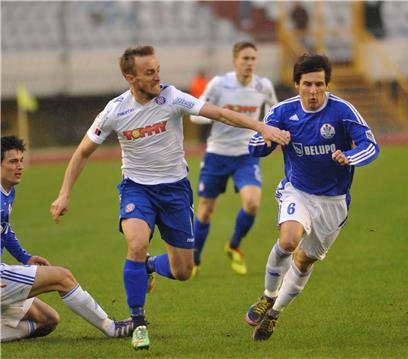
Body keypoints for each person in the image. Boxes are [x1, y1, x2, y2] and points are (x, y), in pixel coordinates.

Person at [49, 45, 290, 350]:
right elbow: (83, 151)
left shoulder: (171, 97)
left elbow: (217, 112)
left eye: (158, 70)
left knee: (183, 271)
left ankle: (149, 266)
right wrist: (64, 193)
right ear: (130, 77)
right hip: (137, 189)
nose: (157, 77)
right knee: (136, 244)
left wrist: (260, 125)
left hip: (175, 191)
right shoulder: (115, 110)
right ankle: (138, 323)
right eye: (149, 73)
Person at [244, 54, 379, 341]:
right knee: (289, 240)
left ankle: (275, 314)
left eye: (319, 84)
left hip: (334, 202)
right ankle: (267, 295)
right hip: (298, 191)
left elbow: (371, 145)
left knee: (304, 261)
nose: (313, 91)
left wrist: (350, 156)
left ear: (327, 85)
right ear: (296, 85)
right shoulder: (282, 112)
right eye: (307, 84)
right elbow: (255, 143)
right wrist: (270, 139)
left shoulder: (343, 111)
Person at [1, 136, 134, 342]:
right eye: (12, 162)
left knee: (48, 320)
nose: (19, 166)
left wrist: (25, 258)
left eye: (21, 160)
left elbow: (5, 229)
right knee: (62, 277)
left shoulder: (9, 192)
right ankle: (111, 327)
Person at [189, 41, 278, 276]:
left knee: (252, 203)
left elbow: (275, 112)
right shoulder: (219, 84)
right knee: (206, 211)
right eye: (245, 58)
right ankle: (195, 258)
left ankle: (234, 245)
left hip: (246, 155)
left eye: (253, 59)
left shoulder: (263, 85)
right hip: (217, 153)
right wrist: (220, 117)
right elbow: (195, 114)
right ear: (235, 61)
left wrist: (271, 129)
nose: (249, 63)